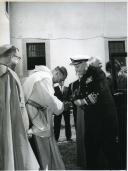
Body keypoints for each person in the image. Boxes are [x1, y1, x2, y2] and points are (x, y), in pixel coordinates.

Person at [70, 55, 120, 170]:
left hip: (105, 122)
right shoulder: (83, 78)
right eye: (75, 67)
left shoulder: (97, 73)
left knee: (111, 153)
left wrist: (80, 101)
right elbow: (77, 96)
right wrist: (79, 100)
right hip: (92, 123)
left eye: (77, 66)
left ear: (84, 63)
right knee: (91, 154)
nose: (75, 70)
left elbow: (94, 97)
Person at [0, 44, 39, 170]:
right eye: (18, 57)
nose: (18, 61)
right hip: (9, 124)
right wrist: (25, 126)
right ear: (11, 56)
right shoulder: (9, 75)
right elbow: (19, 105)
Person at [23, 65, 67, 170]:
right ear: (57, 73)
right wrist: (62, 106)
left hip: (32, 109)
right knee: (43, 133)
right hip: (33, 110)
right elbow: (50, 99)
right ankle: (43, 165)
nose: (58, 83)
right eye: (60, 80)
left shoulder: (39, 74)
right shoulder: (45, 78)